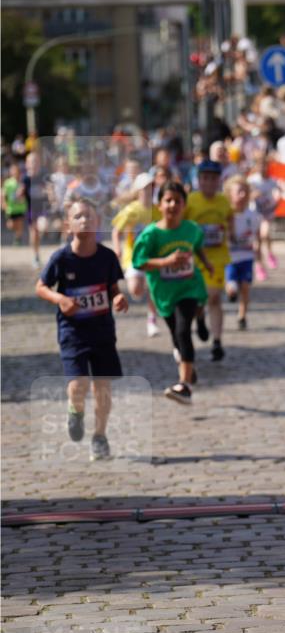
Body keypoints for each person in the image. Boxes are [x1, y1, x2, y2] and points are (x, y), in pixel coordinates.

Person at [35, 199, 128, 460]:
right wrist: (61, 299)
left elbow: (113, 288)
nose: (84, 220)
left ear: (98, 222)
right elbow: (40, 287)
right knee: (78, 385)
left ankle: (100, 436)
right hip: (73, 332)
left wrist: (118, 298)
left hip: (102, 331)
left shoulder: (107, 257)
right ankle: (75, 411)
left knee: (103, 387)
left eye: (89, 216)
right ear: (68, 224)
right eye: (78, 216)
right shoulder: (61, 258)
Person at [132, 181, 213, 405]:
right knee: (177, 336)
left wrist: (206, 262)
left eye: (178, 201)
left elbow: (198, 246)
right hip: (165, 294)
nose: (173, 205)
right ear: (159, 204)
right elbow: (139, 262)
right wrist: (166, 261)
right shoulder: (151, 235)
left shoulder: (191, 229)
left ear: (184, 205)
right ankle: (190, 361)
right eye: (168, 200)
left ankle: (184, 385)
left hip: (189, 287)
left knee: (183, 331)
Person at [183, 158, 232, 361]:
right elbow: (181, 223)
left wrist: (227, 232)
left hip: (217, 257)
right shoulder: (191, 200)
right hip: (194, 259)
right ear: (199, 180)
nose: (209, 182)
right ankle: (200, 317)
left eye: (213, 178)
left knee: (214, 296)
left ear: (219, 180)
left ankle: (217, 342)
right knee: (198, 299)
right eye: (205, 178)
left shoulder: (223, 201)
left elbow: (229, 218)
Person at [111, 173, 161, 337]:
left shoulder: (157, 211)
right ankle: (142, 290)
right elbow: (116, 231)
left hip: (153, 256)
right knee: (136, 290)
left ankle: (152, 319)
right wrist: (117, 249)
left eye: (151, 188)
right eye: (145, 188)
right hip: (133, 256)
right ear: (138, 191)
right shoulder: (131, 210)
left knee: (153, 289)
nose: (148, 191)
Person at [223, 174, 261, 330]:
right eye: (238, 191)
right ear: (229, 194)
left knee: (245, 287)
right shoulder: (226, 214)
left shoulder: (252, 214)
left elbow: (257, 234)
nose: (242, 195)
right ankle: (231, 292)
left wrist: (258, 252)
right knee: (231, 284)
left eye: (245, 191)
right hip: (230, 257)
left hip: (246, 256)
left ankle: (242, 315)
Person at [248, 151, 281, 278]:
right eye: (260, 165)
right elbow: (247, 196)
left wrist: (277, 198)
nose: (262, 168)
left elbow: (278, 193)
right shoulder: (252, 180)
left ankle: (269, 253)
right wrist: (253, 195)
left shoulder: (272, 181)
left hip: (267, 212)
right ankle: (259, 266)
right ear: (256, 166)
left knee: (265, 234)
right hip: (255, 213)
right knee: (256, 243)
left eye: (265, 165)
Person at [2, 159, 27, 244]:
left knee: (20, 223)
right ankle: (17, 234)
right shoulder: (8, 183)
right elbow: (3, 194)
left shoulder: (22, 182)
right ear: (11, 172)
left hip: (20, 207)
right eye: (13, 170)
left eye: (16, 170)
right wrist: (4, 204)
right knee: (11, 225)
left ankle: (18, 238)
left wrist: (22, 194)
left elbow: (25, 194)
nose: (15, 172)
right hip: (11, 208)